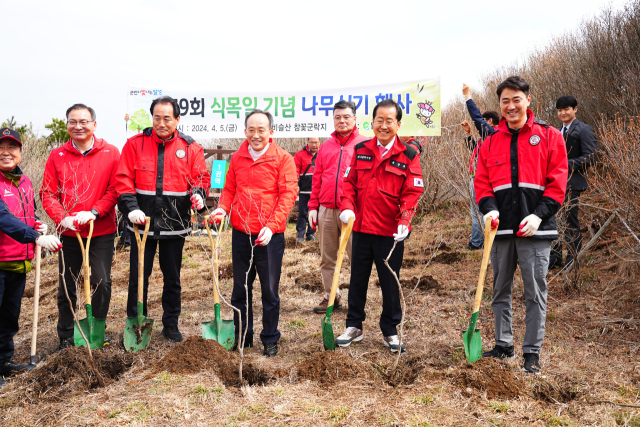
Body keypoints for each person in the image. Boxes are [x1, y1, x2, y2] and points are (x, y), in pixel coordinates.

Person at [474, 76, 568, 374]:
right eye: (505, 101)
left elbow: (558, 182)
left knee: (534, 292)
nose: (511, 106)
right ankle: (503, 344)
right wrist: (488, 210)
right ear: (499, 105)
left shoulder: (550, 136)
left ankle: (531, 352)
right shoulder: (490, 142)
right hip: (500, 232)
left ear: (528, 100)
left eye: (517, 99)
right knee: (499, 290)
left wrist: (540, 214)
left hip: (535, 230)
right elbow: (482, 183)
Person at [115, 96, 210, 343]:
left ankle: (171, 324)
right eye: (157, 117)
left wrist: (198, 196)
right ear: (152, 118)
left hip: (174, 223)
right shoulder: (135, 144)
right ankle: (137, 322)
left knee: (172, 277)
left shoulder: (191, 148)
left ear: (177, 119)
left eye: (167, 118)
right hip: (141, 224)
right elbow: (123, 179)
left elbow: (200, 179)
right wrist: (132, 208)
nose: (161, 122)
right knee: (138, 276)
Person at [335, 99, 424, 353]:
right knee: (357, 279)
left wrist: (405, 222)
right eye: (379, 120)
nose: (383, 126)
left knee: (390, 283)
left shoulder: (409, 154)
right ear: (372, 122)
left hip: (390, 233)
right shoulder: (361, 148)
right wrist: (348, 207)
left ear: (398, 124)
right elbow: (348, 183)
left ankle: (390, 329)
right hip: (361, 228)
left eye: (389, 121)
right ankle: (354, 325)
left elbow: (412, 193)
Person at [210, 109, 297, 357]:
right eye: (252, 130)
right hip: (241, 233)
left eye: (262, 130)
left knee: (269, 290)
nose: (256, 135)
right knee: (241, 289)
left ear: (271, 132)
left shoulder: (282, 159)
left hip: (269, 236)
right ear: (245, 131)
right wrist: (222, 210)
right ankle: (243, 336)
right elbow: (229, 190)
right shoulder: (237, 158)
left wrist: (271, 226)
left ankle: (270, 338)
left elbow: (287, 195)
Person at [40, 104, 120, 351]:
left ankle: (97, 331)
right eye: (72, 122)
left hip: (101, 230)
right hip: (69, 232)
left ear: (94, 124)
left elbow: (115, 189)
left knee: (101, 282)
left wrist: (94, 211)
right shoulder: (57, 156)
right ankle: (65, 335)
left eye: (83, 121)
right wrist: (61, 217)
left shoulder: (111, 153)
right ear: (67, 126)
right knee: (67, 285)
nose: (78, 126)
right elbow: (48, 193)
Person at [0, 128, 61, 388]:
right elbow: (3, 218)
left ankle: (3, 362)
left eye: (12, 148)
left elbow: (26, 213)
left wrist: (36, 225)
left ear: (20, 153)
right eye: (1, 148)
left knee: (9, 317)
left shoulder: (23, 182)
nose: (6, 153)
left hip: (18, 261)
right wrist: (34, 238)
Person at [307, 100, 369, 314]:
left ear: (355, 119)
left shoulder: (365, 144)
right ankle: (330, 295)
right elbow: (317, 178)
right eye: (337, 117)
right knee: (328, 257)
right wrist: (313, 206)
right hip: (326, 209)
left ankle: (356, 300)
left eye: (346, 117)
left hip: (353, 210)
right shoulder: (325, 146)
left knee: (357, 258)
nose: (341, 121)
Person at [549, 96, 597, 269]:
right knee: (552, 220)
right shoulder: (555, 131)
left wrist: (564, 164)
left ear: (575, 109)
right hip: (554, 183)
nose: (563, 113)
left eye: (566, 109)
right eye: (560, 110)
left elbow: (591, 157)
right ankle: (554, 259)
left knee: (570, 221)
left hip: (572, 183)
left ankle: (572, 260)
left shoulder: (583, 129)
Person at [462, 83, 500, 251]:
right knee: (479, 210)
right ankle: (481, 241)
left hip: (481, 178)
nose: (479, 125)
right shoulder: (486, 139)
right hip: (475, 176)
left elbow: (476, 117)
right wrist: (469, 134)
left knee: (478, 211)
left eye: (483, 122)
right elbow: (475, 151)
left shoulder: (493, 134)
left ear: (489, 122)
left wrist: (467, 96)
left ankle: (478, 242)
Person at [294, 137, 320, 243]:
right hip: (304, 190)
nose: (314, 145)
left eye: (316, 142)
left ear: (319, 143)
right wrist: (295, 183)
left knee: (315, 213)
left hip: (317, 191)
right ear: (307, 142)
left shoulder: (323, 153)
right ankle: (300, 234)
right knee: (302, 213)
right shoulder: (300, 154)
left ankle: (311, 233)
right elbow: (295, 170)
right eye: (312, 142)